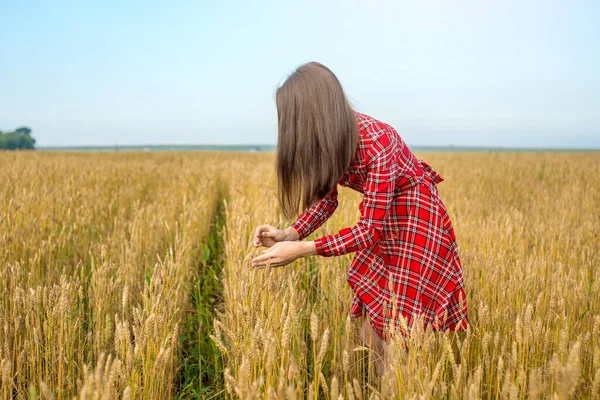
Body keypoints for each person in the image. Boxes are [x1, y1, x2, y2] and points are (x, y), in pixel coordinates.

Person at [251, 61, 468, 375]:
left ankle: (396, 389)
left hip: (416, 222)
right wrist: (289, 234)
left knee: (397, 331)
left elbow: (368, 231)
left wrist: (302, 250)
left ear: (312, 112)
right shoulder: (332, 140)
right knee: (370, 327)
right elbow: (327, 201)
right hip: (381, 219)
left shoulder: (379, 141)